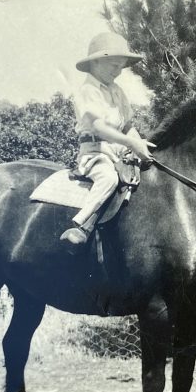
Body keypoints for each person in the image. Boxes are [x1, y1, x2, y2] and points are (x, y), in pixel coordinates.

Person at [61, 32, 155, 248]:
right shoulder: (88, 91)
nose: (118, 71)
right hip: (96, 153)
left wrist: (139, 142)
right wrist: (131, 143)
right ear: (95, 62)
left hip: (120, 153)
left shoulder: (117, 91)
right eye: (113, 65)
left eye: (121, 66)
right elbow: (98, 127)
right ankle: (81, 224)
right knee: (108, 179)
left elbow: (128, 126)